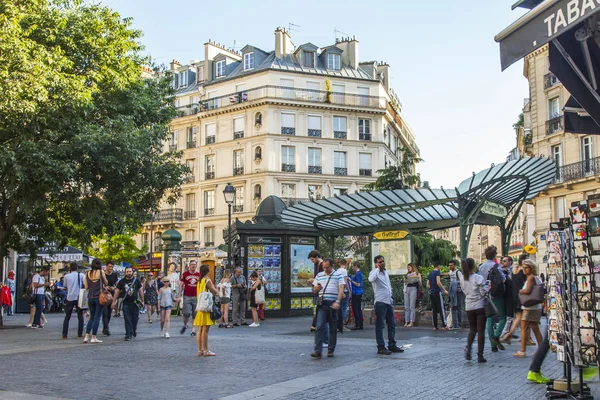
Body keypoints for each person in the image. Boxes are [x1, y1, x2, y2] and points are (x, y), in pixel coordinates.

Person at [369, 255, 404, 355]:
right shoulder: (374, 273)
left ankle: (392, 344)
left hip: (388, 301)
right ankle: (380, 346)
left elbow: (388, 286)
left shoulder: (386, 273)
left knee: (392, 323)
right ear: (376, 263)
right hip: (380, 302)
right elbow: (371, 279)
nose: (382, 263)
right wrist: (377, 269)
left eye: (383, 261)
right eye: (379, 262)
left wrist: (391, 297)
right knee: (380, 325)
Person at [311, 258, 344, 358]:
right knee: (319, 326)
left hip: (333, 303)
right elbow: (314, 290)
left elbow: (341, 290)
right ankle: (318, 350)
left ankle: (331, 350)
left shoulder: (338, 275)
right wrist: (316, 289)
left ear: (332, 266)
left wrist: (337, 302)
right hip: (322, 303)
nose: (325, 270)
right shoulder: (319, 275)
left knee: (333, 328)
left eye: (327, 268)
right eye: (323, 267)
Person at [460, 258, 488, 363]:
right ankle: (480, 355)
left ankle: (469, 349)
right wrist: (488, 287)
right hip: (479, 306)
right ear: (473, 266)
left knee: (472, 329)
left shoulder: (462, 278)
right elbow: (482, 293)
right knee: (481, 331)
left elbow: (464, 291)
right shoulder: (478, 278)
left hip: (469, 306)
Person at [478, 245, 506, 352]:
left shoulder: (481, 267)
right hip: (496, 294)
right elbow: (503, 280)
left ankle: (493, 345)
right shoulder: (496, 266)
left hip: (486, 295)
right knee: (503, 317)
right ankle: (497, 335)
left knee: (489, 319)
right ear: (495, 255)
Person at [514, 259, 543, 358]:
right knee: (535, 327)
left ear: (531, 268)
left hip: (530, 307)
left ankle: (522, 351)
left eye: (527, 267)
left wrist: (520, 291)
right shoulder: (536, 277)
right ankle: (541, 348)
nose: (525, 269)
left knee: (524, 327)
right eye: (524, 267)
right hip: (535, 306)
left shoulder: (531, 278)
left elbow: (528, 290)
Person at [501, 253, 528, 344]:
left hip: (515, 295)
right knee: (521, 318)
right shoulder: (523, 271)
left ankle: (526, 337)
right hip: (522, 296)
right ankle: (508, 335)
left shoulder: (514, 270)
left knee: (520, 317)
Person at [193, 264, 219, 356]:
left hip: (200, 306)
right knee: (205, 330)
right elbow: (215, 292)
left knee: (200, 329)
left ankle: (200, 350)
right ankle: (206, 350)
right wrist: (217, 289)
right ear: (207, 271)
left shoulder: (199, 281)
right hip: (206, 307)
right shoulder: (207, 280)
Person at [112, 267, 144, 341]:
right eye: (127, 272)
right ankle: (128, 334)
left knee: (135, 318)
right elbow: (117, 291)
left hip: (135, 302)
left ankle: (133, 330)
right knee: (127, 319)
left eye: (130, 271)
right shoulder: (122, 281)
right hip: (126, 302)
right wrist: (114, 301)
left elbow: (140, 291)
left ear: (132, 272)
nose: (128, 273)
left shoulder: (136, 281)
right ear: (125, 272)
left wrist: (143, 301)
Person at [82, 259, 108, 343]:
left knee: (91, 318)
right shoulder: (101, 272)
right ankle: (93, 337)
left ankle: (86, 336)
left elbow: (86, 287)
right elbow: (106, 282)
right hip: (99, 297)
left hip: (90, 297)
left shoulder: (87, 273)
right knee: (97, 317)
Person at [177, 260, 200, 335]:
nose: (193, 266)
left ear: (196, 265)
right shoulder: (185, 274)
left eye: (194, 264)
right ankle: (185, 325)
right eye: (192, 264)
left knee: (195, 314)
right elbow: (181, 285)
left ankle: (193, 330)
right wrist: (179, 296)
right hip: (187, 296)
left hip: (196, 296)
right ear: (189, 266)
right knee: (186, 313)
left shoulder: (199, 274)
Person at [62, 262, 84, 339]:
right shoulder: (81, 275)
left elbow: (65, 286)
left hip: (70, 297)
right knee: (80, 316)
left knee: (67, 316)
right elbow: (84, 284)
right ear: (77, 268)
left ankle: (64, 334)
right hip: (79, 297)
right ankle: (79, 334)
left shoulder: (66, 276)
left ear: (70, 268)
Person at [426, 264, 448, 331]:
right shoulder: (437, 272)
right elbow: (438, 282)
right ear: (438, 266)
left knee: (434, 310)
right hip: (437, 292)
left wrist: (432, 287)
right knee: (441, 308)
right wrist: (444, 290)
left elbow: (427, 285)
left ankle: (435, 326)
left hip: (431, 292)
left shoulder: (430, 273)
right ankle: (444, 325)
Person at [307, 250, 324, 334]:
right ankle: (314, 325)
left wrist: (313, 280)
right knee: (317, 308)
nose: (312, 261)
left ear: (317, 257)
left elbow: (322, 279)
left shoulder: (321, 265)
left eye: (312, 259)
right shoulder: (318, 265)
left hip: (320, 291)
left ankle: (314, 325)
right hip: (317, 290)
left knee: (318, 308)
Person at [102, 261, 118, 336]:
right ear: (106, 266)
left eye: (112, 267)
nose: (110, 268)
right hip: (104, 296)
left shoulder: (114, 275)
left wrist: (113, 288)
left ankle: (105, 327)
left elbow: (117, 285)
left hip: (111, 296)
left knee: (109, 313)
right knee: (104, 312)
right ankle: (106, 328)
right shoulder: (103, 274)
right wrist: (105, 287)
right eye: (109, 266)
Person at [403, 263, 421, 327]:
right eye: (407, 267)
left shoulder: (417, 274)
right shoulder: (407, 274)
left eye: (409, 267)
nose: (408, 268)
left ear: (413, 267)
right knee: (406, 306)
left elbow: (420, 284)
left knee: (412, 306)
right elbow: (405, 282)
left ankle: (411, 321)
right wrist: (407, 280)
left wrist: (418, 278)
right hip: (406, 289)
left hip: (413, 288)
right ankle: (406, 321)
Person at [448, 259, 464, 329]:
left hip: (458, 291)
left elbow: (462, 281)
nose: (450, 267)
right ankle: (455, 323)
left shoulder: (458, 272)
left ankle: (459, 323)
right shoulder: (450, 272)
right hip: (452, 292)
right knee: (454, 307)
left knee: (458, 307)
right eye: (449, 265)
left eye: (451, 265)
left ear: (455, 265)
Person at [349, 261, 364, 330]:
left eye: (353, 266)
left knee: (356, 309)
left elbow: (358, 284)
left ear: (356, 266)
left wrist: (350, 280)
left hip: (356, 293)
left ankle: (358, 324)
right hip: (358, 293)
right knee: (358, 308)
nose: (352, 268)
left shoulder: (358, 274)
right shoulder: (358, 274)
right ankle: (360, 324)